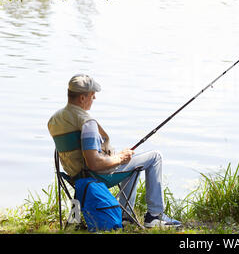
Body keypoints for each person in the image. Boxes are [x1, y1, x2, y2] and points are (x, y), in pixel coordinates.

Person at [48, 73, 181, 228]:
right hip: (94, 176)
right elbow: (94, 163)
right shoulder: (87, 122)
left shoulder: (54, 119)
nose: (94, 98)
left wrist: (121, 157)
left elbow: (82, 155)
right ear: (82, 98)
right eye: (92, 95)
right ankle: (154, 216)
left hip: (73, 176)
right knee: (155, 157)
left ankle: (126, 216)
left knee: (129, 161)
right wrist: (120, 158)